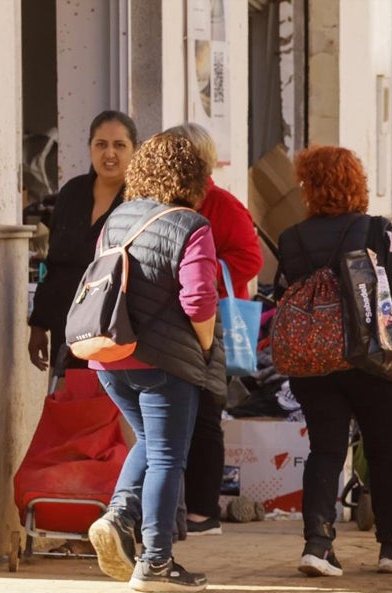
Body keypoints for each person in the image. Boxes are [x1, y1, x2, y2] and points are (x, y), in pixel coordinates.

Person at [274, 145, 392, 577]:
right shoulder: (373, 229)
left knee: (324, 449)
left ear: (309, 188)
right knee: (383, 450)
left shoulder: (291, 238)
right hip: (370, 358)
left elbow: (281, 292)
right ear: (355, 183)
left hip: (314, 362)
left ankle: (317, 546)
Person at [86, 133, 224, 593]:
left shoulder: (116, 219)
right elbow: (200, 299)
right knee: (167, 456)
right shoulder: (191, 224)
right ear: (194, 176)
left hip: (109, 356)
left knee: (147, 442)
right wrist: (205, 347)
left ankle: (121, 515)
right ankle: (157, 563)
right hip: (164, 362)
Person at [162, 122, 264, 537]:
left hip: (212, 319)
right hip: (168, 320)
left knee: (205, 413)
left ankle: (203, 511)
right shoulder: (163, 200)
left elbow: (249, 260)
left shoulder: (222, 204)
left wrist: (200, 280)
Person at [28, 111, 137, 371]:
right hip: (66, 326)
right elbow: (51, 263)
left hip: (117, 333)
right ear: (90, 148)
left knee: (107, 410)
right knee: (68, 405)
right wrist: (38, 324)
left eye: (119, 145)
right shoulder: (71, 193)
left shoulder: (140, 202)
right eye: (101, 144)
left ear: (134, 150)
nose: (109, 153)